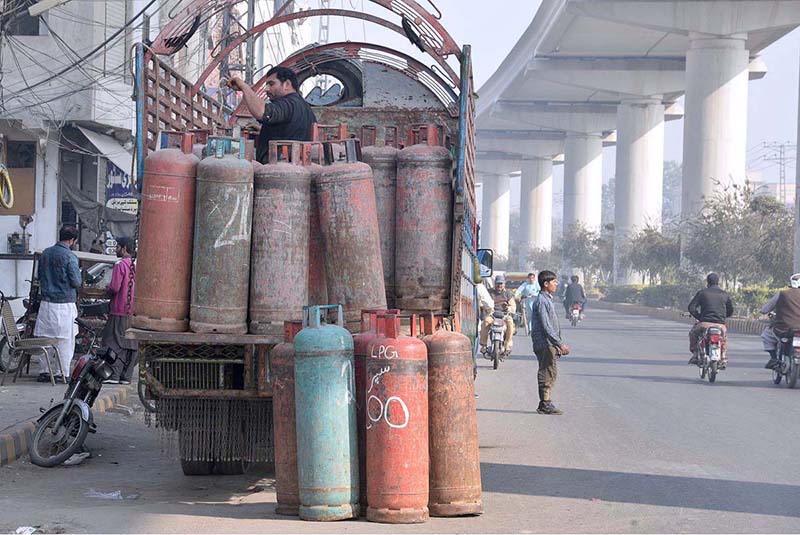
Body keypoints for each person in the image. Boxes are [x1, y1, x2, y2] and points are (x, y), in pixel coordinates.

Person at [227, 67, 317, 164]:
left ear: (286, 84)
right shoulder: (304, 107)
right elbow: (292, 131)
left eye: (271, 84)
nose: (267, 89)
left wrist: (243, 86)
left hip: (279, 169)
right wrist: (264, 131)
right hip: (297, 168)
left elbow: (261, 112)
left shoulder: (288, 104)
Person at [34, 226, 82, 382]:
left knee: (45, 339)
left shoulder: (45, 254)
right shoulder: (70, 257)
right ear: (72, 240)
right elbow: (76, 281)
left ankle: (44, 371)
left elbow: (38, 276)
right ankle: (62, 373)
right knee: (65, 341)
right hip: (64, 304)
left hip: (45, 303)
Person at [530, 270, 569, 415]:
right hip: (544, 343)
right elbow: (546, 326)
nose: (556, 284)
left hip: (549, 343)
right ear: (546, 284)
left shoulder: (547, 299)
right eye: (554, 282)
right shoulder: (541, 301)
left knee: (551, 372)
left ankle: (546, 402)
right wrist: (559, 344)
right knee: (547, 372)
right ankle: (544, 404)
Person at [101, 237, 137, 384]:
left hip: (119, 309)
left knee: (112, 342)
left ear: (124, 248)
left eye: (117, 247)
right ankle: (126, 376)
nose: (116, 250)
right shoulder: (137, 265)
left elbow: (115, 287)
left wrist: (107, 289)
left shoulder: (120, 265)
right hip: (134, 311)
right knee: (131, 343)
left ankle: (114, 375)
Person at [687, 273, 733, 366]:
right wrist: (722, 318)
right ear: (718, 282)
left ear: (707, 282)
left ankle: (695, 354)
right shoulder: (725, 294)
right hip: (720, 325)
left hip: (704, 323)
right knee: (723, 338)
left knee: (693, 334)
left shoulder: (702, 293)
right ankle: (723, 356)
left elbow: (691, 308)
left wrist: (700, 317)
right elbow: (730, 310)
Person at [765, 273, 800, 370]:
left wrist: (764, 311)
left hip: (784, 328)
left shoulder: (782, 294)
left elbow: (765, 309)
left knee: (766, 335)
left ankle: (773, 359)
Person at [479, 274, 516, 354]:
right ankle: (483, 345)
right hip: (492, 314)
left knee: (510, 323)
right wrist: (484, 308)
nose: (499, 286)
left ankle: (507, 344)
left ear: (504, 284)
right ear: (495, 284)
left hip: (504, 315)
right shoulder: (489, 292)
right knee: (486, 322)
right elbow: (482, 302)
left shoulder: (508, 294)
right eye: (498, 283)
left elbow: (513, 306)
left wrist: (508, 308)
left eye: (501, 284)